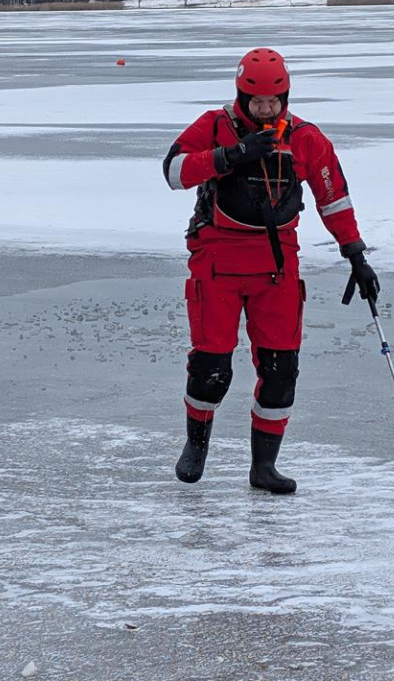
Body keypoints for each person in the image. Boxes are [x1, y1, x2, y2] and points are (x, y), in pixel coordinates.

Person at [162, 47, 379, 493]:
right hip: (217, 262)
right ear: (242, 97)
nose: (266, 110)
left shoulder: (305, 138)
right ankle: (195, 445)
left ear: (286, 97)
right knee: (212, 368)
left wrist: (355, 254)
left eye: (273, 102)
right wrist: (229, 155)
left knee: (281, 370)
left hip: (277, 266)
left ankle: (264, 467)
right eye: (257, 102)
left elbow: (333, 197)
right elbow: (174, 172)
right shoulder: (215, 125)